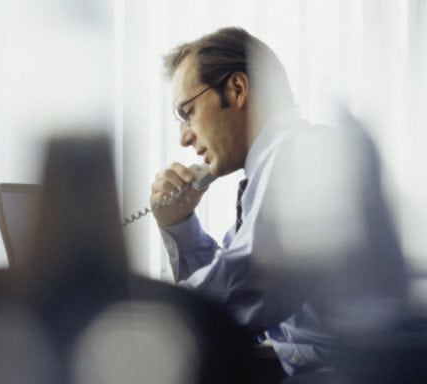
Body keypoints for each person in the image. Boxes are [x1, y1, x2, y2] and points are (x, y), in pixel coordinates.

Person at [151, 26, 407, 382]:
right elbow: (231, 289)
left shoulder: (302, 154)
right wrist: (180, 225)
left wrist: (149, 312)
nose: (183, 137)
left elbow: (248, 287)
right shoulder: (266, 177)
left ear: (236, 89)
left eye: (187, 111)